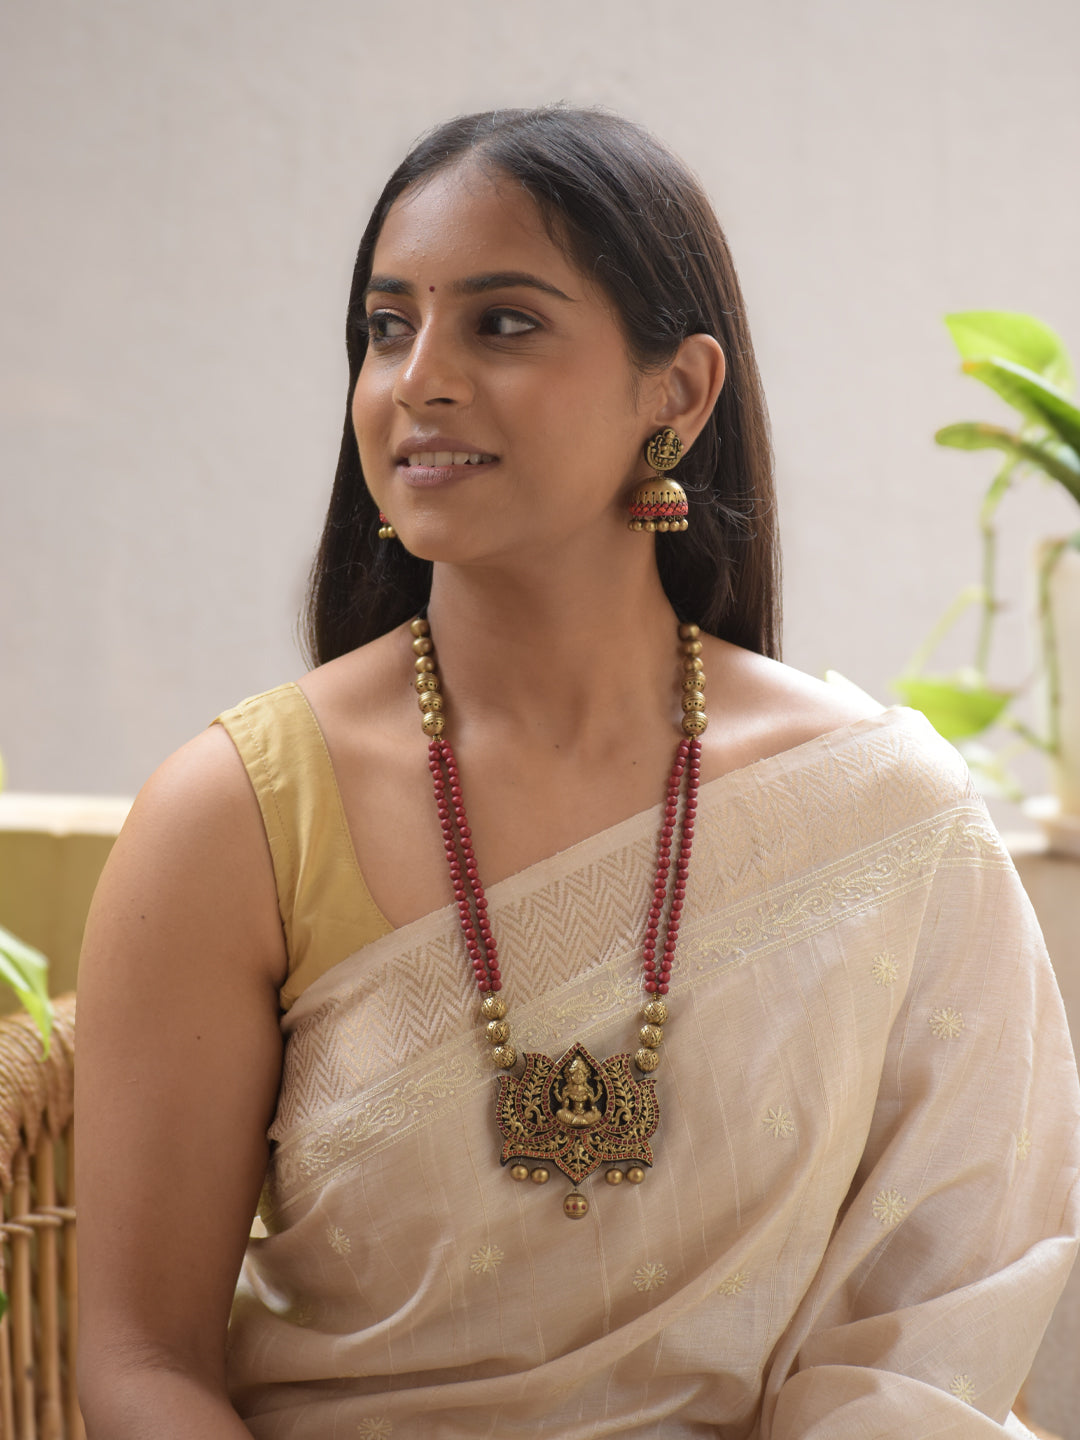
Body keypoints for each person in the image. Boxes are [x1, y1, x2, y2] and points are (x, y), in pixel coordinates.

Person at [75, 106, 1080, 1439]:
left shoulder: (888, 821)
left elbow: (938, 1335)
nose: (418, 378)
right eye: (387, 326)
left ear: (678, 391)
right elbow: (142, 1363)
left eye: (502, 322)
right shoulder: (236, 817)